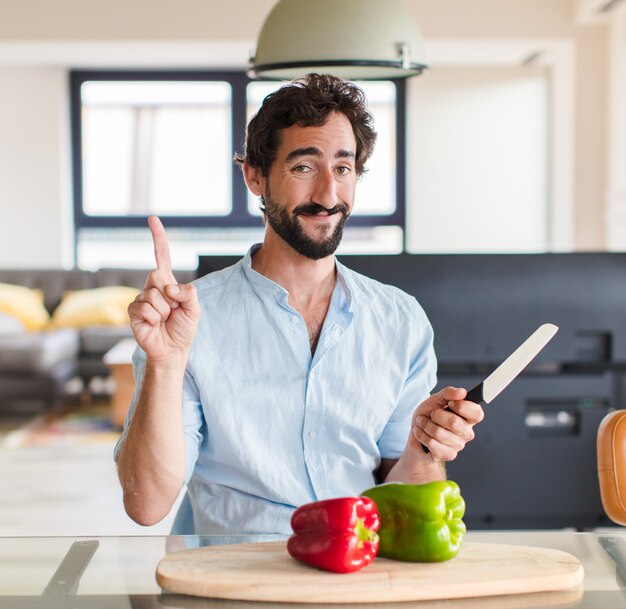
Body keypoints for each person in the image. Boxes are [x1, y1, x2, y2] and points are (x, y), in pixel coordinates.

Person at [114, 73, 484, 535]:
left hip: (354, 573)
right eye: (304, 167)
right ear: (255, 176)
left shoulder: (400, 320)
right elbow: (146, 505)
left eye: (343, 168)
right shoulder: (187, 323)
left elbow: (401, 497)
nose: (328, 194)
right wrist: (166, 365)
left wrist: (423, 451)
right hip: (230, 584)